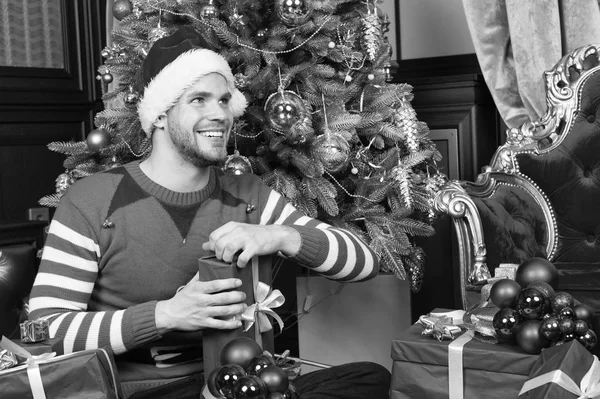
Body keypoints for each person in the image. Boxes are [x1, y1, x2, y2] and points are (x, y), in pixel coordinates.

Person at [28, 27, 390, 398]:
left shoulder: (247, 194)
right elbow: (48, 331)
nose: (219, 114)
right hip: (142, 390)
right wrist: (165, 315)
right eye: (198, 100)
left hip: (242, 382)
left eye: (223, 100)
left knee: (370, 378)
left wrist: (282, 235)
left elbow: (363, 262)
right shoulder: (92, 199)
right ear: (159, 116)